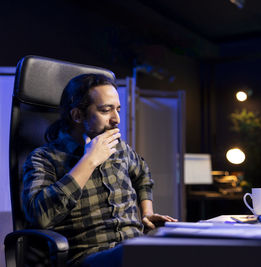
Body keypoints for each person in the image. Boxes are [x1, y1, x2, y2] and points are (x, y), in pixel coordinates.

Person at [22, 73, 177, 266]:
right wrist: (89, 161)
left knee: (191, 248)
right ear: (77, 115)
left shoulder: (119, 148)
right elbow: (40, 216)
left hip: (133, 247)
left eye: (118, 109)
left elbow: (143, 173)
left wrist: (147, 212)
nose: (117, 119)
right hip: (87, 257)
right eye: (106, 110)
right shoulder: (44, 158)